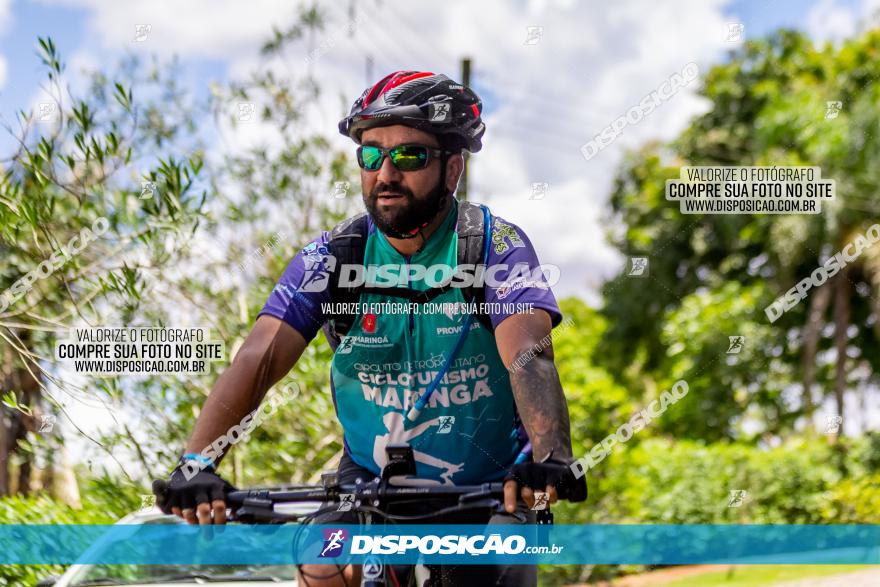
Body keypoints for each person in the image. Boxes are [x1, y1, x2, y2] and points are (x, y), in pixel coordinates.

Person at [154, 70, 586, 587]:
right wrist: (196, 462)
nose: (385, 173)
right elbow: (258, 359)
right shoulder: (334, 256)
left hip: (487, 485)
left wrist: (550, 456)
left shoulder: (494, 245)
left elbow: (529, 355)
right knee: (322, 565)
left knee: (493, 569)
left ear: (453, 168)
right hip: (368, 481)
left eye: (408, 156)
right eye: (371, 155)